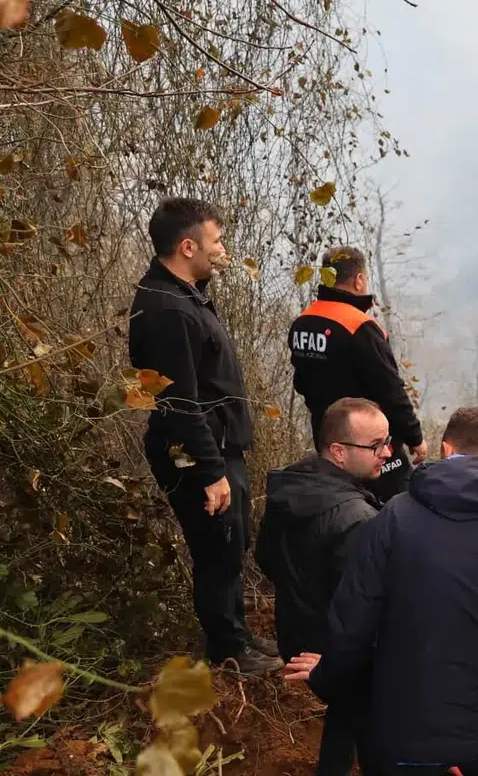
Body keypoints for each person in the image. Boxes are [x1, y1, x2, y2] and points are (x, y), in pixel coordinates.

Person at [285, 407, 478, 776]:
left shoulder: (394, 518)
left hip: (404, 735)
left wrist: (326, 675)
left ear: (446, 449)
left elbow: (352, 625)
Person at [128, 197, 281, 675]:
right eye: (215, 242)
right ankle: (227, 652)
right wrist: (211, 471)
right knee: (216, 545)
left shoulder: (184, 296)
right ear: (187, 245)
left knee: (231, 541)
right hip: (195, 452)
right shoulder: (166, 310)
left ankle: (236, 634)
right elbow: (178, 403)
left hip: (216, 446)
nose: (222, 251)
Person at [256, 398, 386, 776]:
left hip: (298, 638)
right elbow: (364, 611)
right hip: (334, 654)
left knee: (345, 716)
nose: (387, 452)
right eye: (376, 445)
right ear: (339, 451)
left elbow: (266, 559)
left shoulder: (289, 490)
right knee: (372, 722)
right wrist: (335, 662)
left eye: (387, 440)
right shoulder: (358, 520)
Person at [289, 246, 428, 503]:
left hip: (328, 443)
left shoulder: (303, 322)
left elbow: (301, 382)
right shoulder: (360, 326)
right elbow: (390, 389)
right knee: (399, 507)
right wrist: (414, 437)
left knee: (340, 504)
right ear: (359, 280)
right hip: (372, 445)